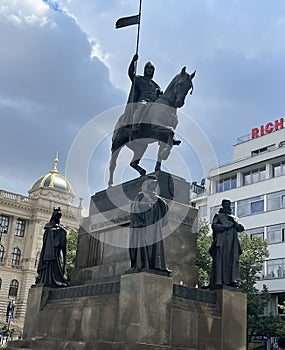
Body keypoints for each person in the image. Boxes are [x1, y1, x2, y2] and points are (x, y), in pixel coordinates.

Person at [129, 176, 170, 275]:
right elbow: (135, 207)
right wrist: (146, 205)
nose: (153, 186)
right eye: (152, 184)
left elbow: (164, 209)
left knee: (156, 245)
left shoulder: (157, 198)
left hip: (155, 225)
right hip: (144, 224)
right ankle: (144, 264)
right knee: (144, 245)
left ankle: (157, 265)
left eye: (155, 185)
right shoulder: (141, 195)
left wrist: (159, 203)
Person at [209, 199, 244, 289]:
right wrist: (226, 226)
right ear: (223, 205)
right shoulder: (218, 216)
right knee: (221, 261)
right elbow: (214, 226)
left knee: (233, 261)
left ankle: (232, 280)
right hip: (222, 242)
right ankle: (219, 280)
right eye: (226, 204)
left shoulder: (232, 218)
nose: (227, 206)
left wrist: (235, 222)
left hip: (233, 243)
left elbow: (241, 228)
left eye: (229, 204)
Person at [35, 207, 67, 288]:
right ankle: (46, 279)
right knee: (49, 266)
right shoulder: (48, 227)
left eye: (59, 217)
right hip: (49, 251)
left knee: (57, 266)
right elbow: (46, 238)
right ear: (53, 216)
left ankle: (56, 280)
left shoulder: (61, 229)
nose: (57, 218)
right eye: (56, 216)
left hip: (56, 252)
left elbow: (63, 244)